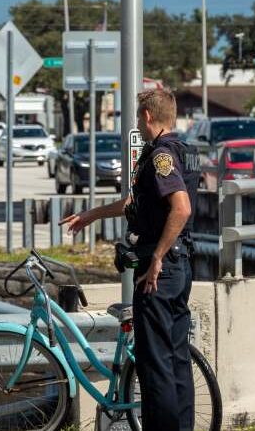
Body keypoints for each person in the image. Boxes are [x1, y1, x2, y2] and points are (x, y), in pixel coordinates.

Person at [60, 88, 199, 430]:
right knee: (177, 358)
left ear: (148, 117)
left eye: (138, 117)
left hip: (161, 270)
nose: (137, 122)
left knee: (156, 365)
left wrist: (156, 259)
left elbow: (181, 208)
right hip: (181, 267)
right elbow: (135, 204)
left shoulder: (161, 156)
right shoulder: (184, 150)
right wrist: (90, 215)